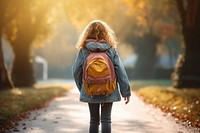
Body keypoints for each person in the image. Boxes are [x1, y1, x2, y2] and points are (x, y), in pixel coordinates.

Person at [72, 20, 131, 133]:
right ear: (106, 33)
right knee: (106, 119)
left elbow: (76, 71)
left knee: (93, 120)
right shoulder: (111, 50)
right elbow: (120, 71)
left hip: (90, 89)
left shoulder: (84, 50)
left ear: (87, 33)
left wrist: (83, 88)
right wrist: (126, 91)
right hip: (109, 88)